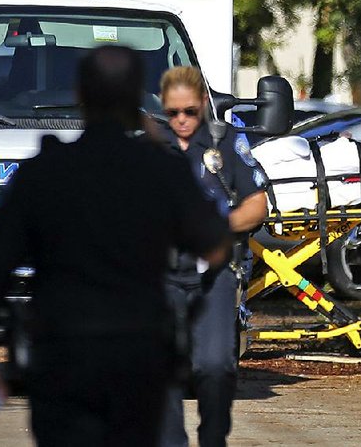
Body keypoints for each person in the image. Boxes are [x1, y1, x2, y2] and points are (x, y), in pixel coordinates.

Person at [0, 45, 233, 446]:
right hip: (138, 354)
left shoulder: (44, 173)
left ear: (80, 95)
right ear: (138, 98)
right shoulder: (161, 170)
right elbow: (215, 247)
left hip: (62, 355)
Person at [158, 66, 268, 447]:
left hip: (214, 270)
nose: (182, 120)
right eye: (173, 113)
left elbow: (258, 205)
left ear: (204, 104)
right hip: (162, 274)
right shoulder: (151, 149)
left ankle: (213, 436)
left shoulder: (226, 142)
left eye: (189, 111)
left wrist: (221, 227)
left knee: (217, 366)